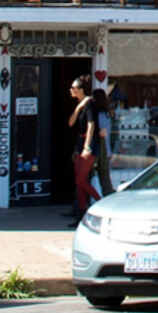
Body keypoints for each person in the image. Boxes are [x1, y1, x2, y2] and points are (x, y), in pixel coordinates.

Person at [67, 74, 100, 226]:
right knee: (79, 182)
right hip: (79, 145)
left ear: (80, 90)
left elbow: (91, 125)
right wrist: (78, 107)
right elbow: (70, 123)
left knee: (81, 179)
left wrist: (87, 146)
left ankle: (101, 203)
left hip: (89, 145)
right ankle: (81, 216)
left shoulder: (90, 104)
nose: (71, 90)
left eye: (73, 88)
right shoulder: (81, 105)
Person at [92, 86, 115, 198]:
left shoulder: (100, 115)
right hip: (106, 150)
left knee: (85, 178)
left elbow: (102, 133)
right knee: (105, 180)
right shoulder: (107, 114)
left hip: (100, 151)